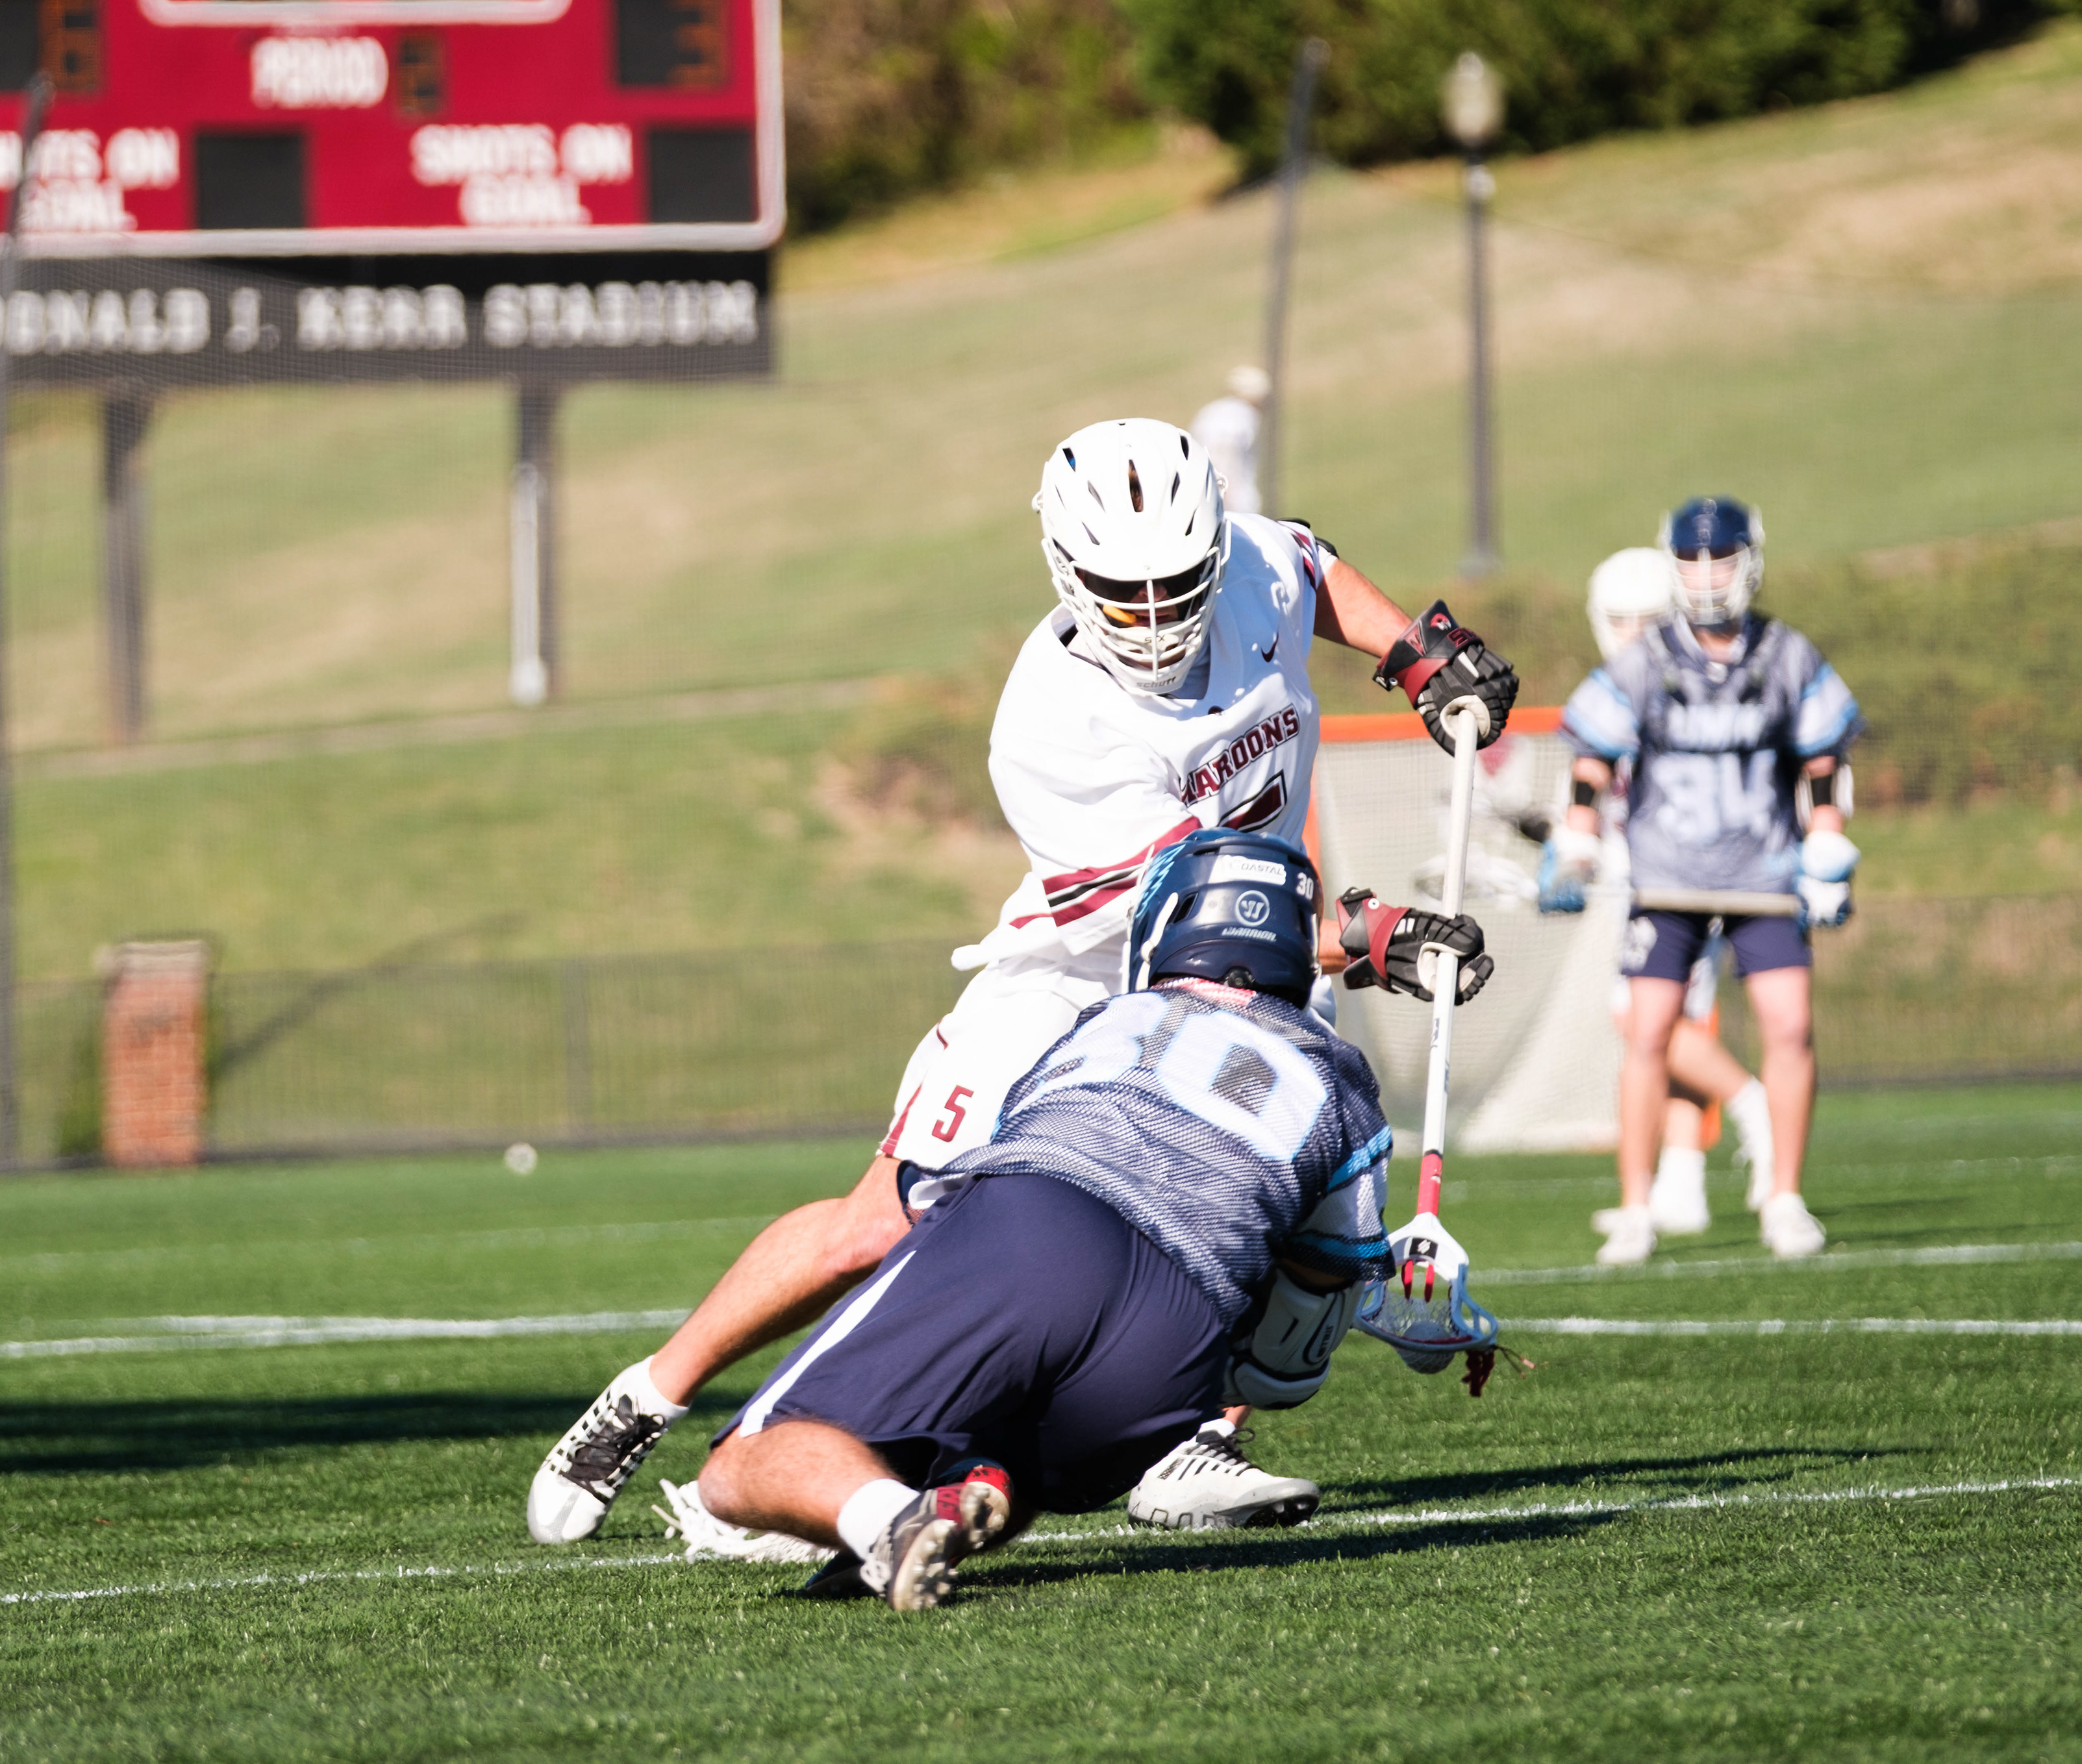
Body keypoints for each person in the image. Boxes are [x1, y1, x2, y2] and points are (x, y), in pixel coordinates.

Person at [529, 416, 1517, 1545]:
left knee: (1244, 1222)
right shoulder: (1050, 724)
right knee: (881, 1220)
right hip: (1089, 970)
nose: (1155, 617)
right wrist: (1375, 931)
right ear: (1065, 572)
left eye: (1176, 585)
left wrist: (1418, 653)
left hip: (1257, 972)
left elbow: (1309, 565)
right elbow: (1194, 908)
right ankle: (650, 1391)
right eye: (1123, 592)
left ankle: (1195, 1436)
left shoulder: (1244, 565)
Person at [695, 827, 1472, 1611]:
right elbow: (1291, 1358)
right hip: (1171, 1349)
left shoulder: (1107, 1020)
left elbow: (1015, 1152)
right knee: (1022, 1468)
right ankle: (943, 1506)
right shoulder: (1344, 1089)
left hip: (1041, 1225)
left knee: (739, 1465)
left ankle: (887, 1518)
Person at [1543, 498, 1861, 1265]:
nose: (1709, 576)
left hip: (1762, 871)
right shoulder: (1648, 658)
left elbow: (1823, 757)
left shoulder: (1786, 654)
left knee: (1789, 1025)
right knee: (1647, 1032)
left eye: (1721, 559)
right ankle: (1634, 1208)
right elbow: (1594, 753)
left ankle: (1783, 1197)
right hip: (1670, 876)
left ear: (1750, 561)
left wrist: (1825, 844)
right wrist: (1577, 836)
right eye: (1693, 560)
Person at [1559, 547, 1776, 1238]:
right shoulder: (1628, 682)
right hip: (1654, 871)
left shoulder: (1687, 685)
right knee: (1677, 1020)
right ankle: (1682, 1186)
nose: (1631, 632)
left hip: (1697, 871)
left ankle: (1752, 1103)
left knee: (1640, 1018)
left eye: (1645, 618)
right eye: (1619, 619)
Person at [1190, 365, 1269, 512]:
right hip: (1234, 505)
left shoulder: (1210, 411)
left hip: (1200, 498)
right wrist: (1227, 499)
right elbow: (1225, 460)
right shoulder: (1245, 416)